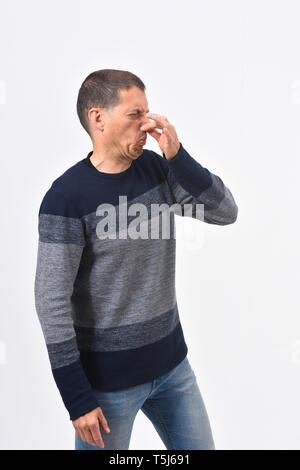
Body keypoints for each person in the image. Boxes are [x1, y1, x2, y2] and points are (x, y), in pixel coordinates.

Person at [34, 69, 238, 450]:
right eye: (134, 114)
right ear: (98, 118)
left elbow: (225, 211)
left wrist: (179, 158)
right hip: (108, 386)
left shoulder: (158, 170)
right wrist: (77, 398)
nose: (146, 124)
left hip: (173, 370)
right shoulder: (66, 198)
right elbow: (51, 301)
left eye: (147, 112)